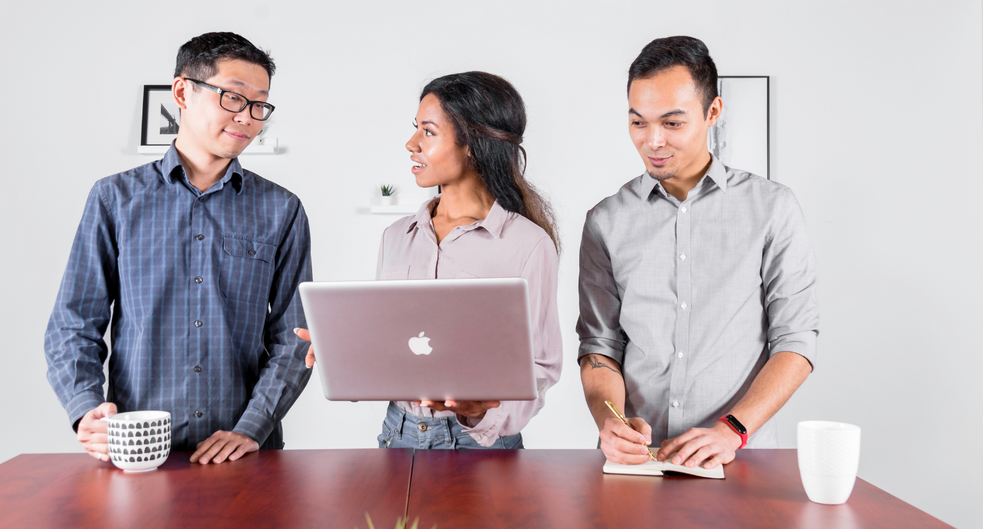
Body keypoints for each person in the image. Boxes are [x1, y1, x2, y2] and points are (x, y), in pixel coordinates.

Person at [44, 32, 312, 465]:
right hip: (137, 451)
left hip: (244, 455)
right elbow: (74, 321)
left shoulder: (282, 209)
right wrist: (85, 410)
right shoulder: (115, 199)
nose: (247, 117)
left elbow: (296, 338)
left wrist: (252, 428)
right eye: (233, 98)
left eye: (259, 105)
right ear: (183, 92)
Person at [578, 36, 818, 470]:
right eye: (638, 123)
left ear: (713, 113)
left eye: (672, 123)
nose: (652, 141)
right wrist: (608, 421)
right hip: (638, 465)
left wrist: (733, 430)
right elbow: (600, 346)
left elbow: (796, 342)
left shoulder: (772, 208)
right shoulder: (604, 220)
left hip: (741, 461)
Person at [298, 71, 561, 449]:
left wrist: (478, 412)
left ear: (471, 143)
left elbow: (542, 368)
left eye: (428, 131)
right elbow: (397, 346)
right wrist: (346, 353)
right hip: (397, 434)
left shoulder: (528, 244)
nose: (411, 143)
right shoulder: (396, 237)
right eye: (415, 129)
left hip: (480, 445)